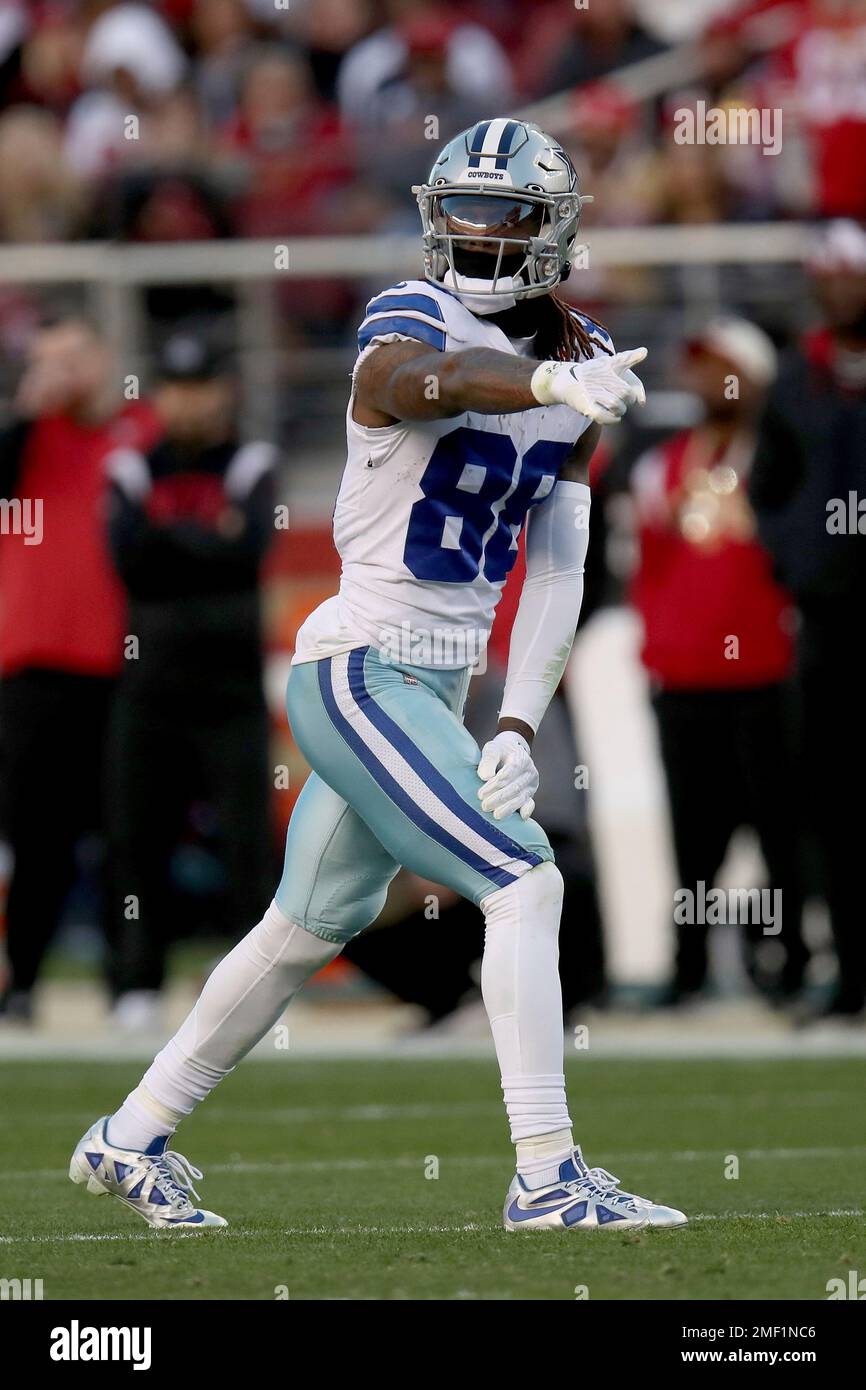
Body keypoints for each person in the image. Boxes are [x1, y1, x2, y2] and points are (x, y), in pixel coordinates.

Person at [70, 119, 686, 1233]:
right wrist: (545, 375)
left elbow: (557, 565)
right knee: (523, 878)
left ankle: (128, 1135)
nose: (469, 232)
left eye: (498, 214)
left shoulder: (583, 360)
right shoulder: (410, 316)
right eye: (455, 208)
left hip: (438, 684)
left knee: (304, 925)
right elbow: (426, 383)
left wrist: (511, 720)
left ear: (548, 232)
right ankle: (546, 1173)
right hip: (358, 668)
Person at [630, 318, 809, 1005]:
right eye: (700, 369)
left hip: (768, 674)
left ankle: (789, 962)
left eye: (723, 368)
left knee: (781, 833)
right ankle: (688, 969)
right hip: (686, 679)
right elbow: (647, 568)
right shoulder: (660, 466)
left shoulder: (782, 459)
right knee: (692, 839)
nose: (710, 382)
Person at [103, 329, 277, 1030]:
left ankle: (251, 993)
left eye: (202, 386)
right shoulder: (132, 466)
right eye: (176, 388)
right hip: (149, 688)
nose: (189, 402)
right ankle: (135, 985)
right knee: (137, 840)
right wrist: (210, 541)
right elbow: (129, 560)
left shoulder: (251, 461)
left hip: (230, 690)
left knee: (246, 845)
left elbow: (249, 554)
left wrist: (171, 542)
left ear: (224, 390)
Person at [0, 313, 160, 1021]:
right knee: (38, 838)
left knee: (129, 834)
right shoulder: (27, 440)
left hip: (123, 664)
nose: (63, 372)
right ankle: (24, 982)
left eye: (74, 357)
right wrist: (27, 406)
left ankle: (129, 985)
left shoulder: (140, 432)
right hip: (33, 664)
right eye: (48, 359)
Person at [766, 220, 866, 1019]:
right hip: (830, 618)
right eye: (827, 275)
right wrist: (799, 557)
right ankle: (848, 966)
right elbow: (769, 487)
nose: (839, 288)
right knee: (831, 801)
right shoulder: (800, 377)